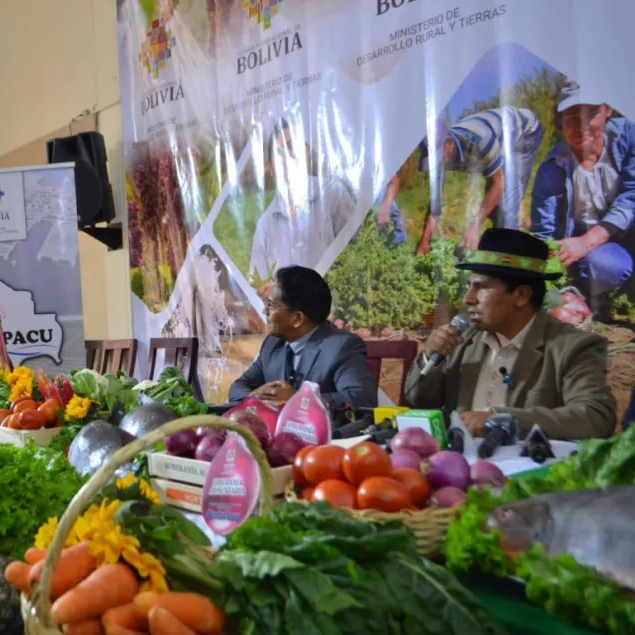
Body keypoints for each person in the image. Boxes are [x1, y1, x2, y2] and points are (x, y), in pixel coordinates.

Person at [404, 228, 617, 439]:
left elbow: (595, 417)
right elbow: (420, 401)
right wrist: (429, 357)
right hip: (461, 466)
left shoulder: (572, 347)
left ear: (521, 295)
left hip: (531, 469)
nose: (468, 299)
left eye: (481, 287)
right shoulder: (462, 338)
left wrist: (500, 419)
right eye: (469, 286)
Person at [531, 80, 635, 318]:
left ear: (608, 110)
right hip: (600, 251)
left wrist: (586, 241)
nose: (583, 127)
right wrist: (547, 281)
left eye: (592, 114)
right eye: (572, 118)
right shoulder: (551, 167)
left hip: (627, 232)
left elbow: (632, 196)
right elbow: (544, 232)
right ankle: (589, 294)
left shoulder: (629, 136)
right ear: (560, 122)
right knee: (602, 264)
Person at [229, 265, 377, 410]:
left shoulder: (342, 347)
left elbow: (362, 399)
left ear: (297, 319)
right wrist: (254, 397)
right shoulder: (273, 344)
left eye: (271, 305)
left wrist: (300, 400)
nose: (265, 311)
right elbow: (239, 387)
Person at [415, 106, 545, 254]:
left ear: (449, 143)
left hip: (525, 132)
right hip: (499, 141)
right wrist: (424, 241)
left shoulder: (479, 139)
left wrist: (474, 227)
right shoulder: (440, 156)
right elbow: (435, 203)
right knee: (495, 209)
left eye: (438, 157)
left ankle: (508, 260)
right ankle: (505, 240)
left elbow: (499, 183)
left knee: (506, 207)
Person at [249, 118, 356, 278]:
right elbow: (257, 284)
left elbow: (358, 252)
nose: (285, 157)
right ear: (270, 168)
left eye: (291, 146)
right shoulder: (265, 226)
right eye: (278, 152)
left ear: (305, 151)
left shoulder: (333, 193)